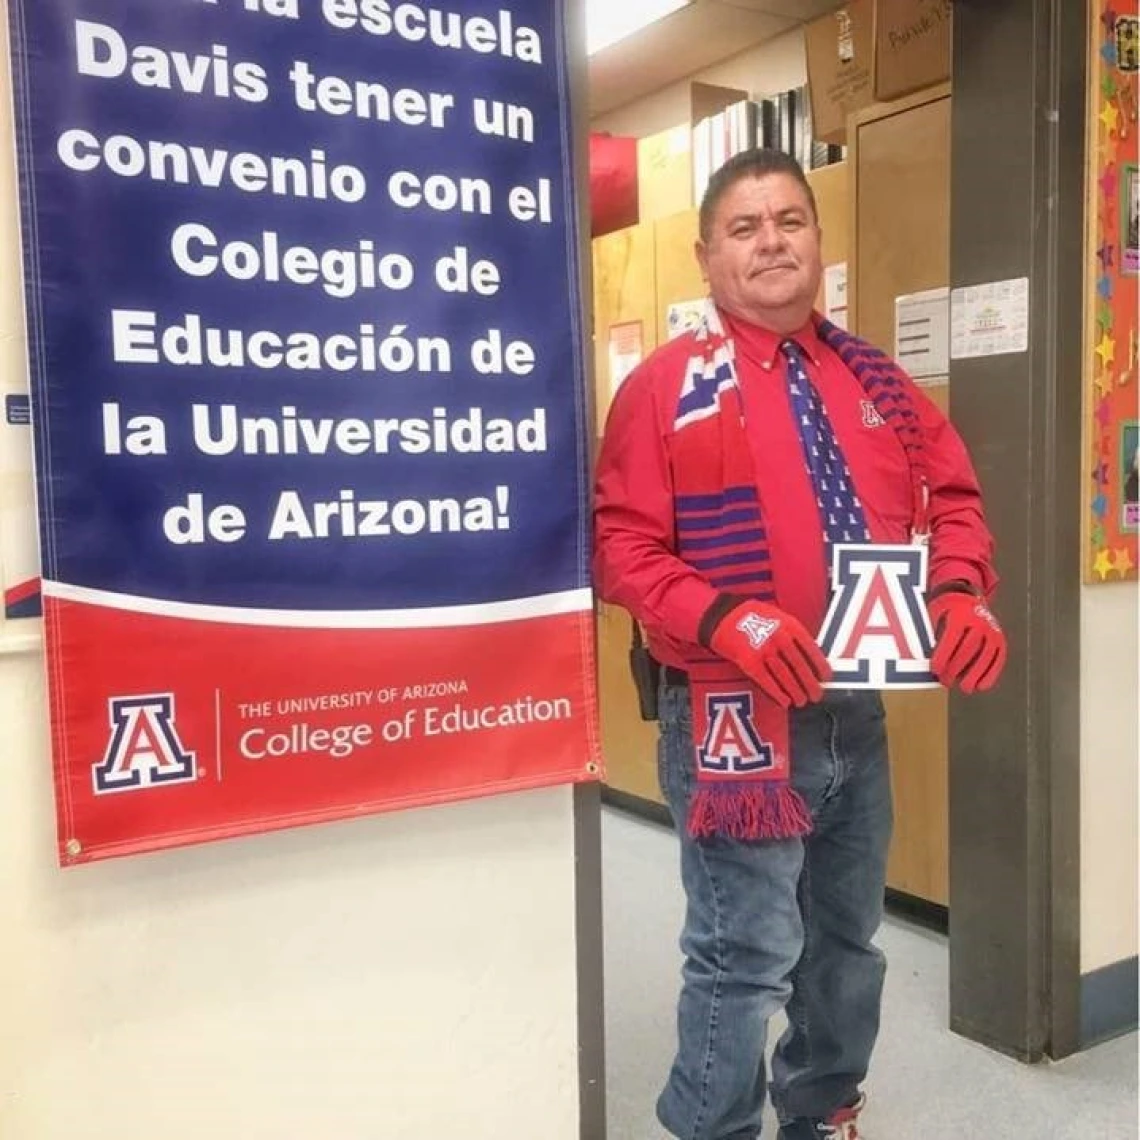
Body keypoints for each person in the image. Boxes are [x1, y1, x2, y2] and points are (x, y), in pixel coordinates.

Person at [592, 149, 1008, 1140]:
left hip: (853, 711)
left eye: (788, 220)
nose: (771, 241)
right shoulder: (663, 389)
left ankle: (822, 1112)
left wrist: (960, 594)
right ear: (706, 257)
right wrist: (725, 616)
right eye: (745, 227)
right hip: (731, 712)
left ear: (818, 238)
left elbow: (952, 502)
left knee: (846, 942)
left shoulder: (878, 384)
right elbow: (619, 546)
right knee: (745, 955)